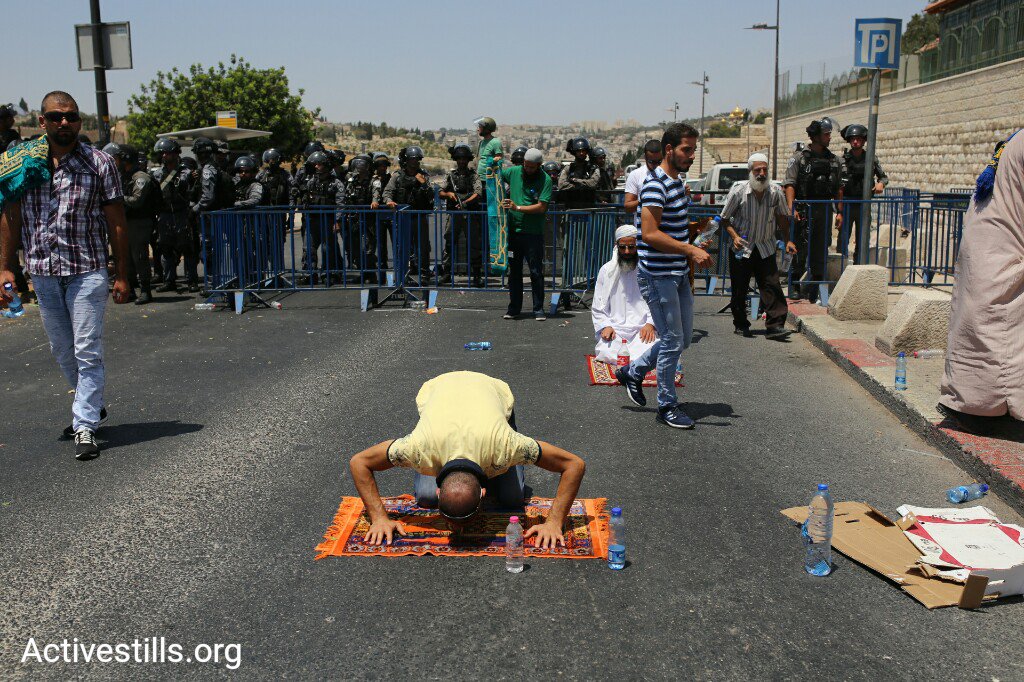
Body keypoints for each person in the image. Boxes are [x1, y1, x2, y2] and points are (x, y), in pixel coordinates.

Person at [0, 91, 131, 459]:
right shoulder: (23, 162)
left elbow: (117, 221)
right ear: (42, 121)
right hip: (42, 271)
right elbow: (10, 214)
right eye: (56, 117)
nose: (64, 123)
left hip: (86, 270)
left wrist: (123, 273)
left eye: (71, 117)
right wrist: (5, 266)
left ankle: (84, 424)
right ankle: (92, 406)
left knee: (86, 349)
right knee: (62, 350)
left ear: (79, 121)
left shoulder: (99, 163)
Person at [347, 371, 586, 547]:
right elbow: (359, 462)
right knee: (425, 498)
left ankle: (498, 471)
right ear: (483, 492)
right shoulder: (417, 448)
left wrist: (554, 522)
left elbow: (574, 464)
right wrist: (378, 518)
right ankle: (480, 478)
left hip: (491, 389)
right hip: (439, 390)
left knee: (512, 498)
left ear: (483, 493)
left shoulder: (508, 446)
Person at [615, 123, 713, 429]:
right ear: (669, 149)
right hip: (659, 276)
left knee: (682, 339)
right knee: (672, 340)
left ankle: (634, 371)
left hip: (677, 271)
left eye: (694, 149)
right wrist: (689, 250)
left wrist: (694, 243)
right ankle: (667, 405)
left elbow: (672, 228)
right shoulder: (655, 185)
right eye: (686, 149)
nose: (691, 155)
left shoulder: (677, 183)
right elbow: (649, 233)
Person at [939, 129, 1024, 424]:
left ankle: (970, 401)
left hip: (988, 247)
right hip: (1002, 253)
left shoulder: (1016, 140)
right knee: (1000, 331)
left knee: (983, 326)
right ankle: (993, 409)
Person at [719, 153, 795, 339]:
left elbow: (782, 218)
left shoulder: (775, 192)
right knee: (740, 289)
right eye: (757, 170)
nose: (761, 173)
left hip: (765, 246)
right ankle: (741, 323)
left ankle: (775, 326)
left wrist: (788, 240)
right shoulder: (739, 192)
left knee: (772, 286)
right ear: (750, 172)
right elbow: (724, 219)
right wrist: (734, 237)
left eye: (764, 170)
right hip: (742, 248)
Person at [784, 118, 844, 303]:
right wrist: (791, 207)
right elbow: (790, 184)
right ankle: (794, 285)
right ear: (816, 136)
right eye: (826, 134)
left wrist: (839, 212)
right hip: (803, 209)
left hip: (823, 210)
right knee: (799, 248)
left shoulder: (834, 160)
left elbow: (838, 188)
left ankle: (816, 288)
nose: (829, 137)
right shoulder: (799, 158)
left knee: (821, 249)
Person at [591, 225, 656, 363]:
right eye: (623, 247)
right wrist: (605, 325)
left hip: (642, 329)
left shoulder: (648, 270)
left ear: (638, 246)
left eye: (631, 247)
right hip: (615, 330)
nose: (627, 251)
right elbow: (598, 304)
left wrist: (650, 324)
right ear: (617, 246)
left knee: (650, 349)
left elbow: (656, 300)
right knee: (606, 351)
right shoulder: (606, 271)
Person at [500, 148, 552, 321]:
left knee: (536, 272)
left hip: (533, 234)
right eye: (526, 166)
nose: (528, 169)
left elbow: (542, 207)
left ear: (539, 165)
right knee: (514, 272)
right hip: (514, 233)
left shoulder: (545, 180)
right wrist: (494, 163)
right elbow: (496, 176)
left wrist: (517, 208)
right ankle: (514, 308)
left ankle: (538, 309)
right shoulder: (514, 172)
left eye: (531, 167)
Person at [106, 143, 159, 304]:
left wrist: (117, 198)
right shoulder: (123, 176)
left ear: (125, 159)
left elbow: (136, 201)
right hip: (126, 221)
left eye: (116, 159)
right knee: (125, 256)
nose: (114, 162)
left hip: (139, 222)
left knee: (140, 256)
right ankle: (130, 289)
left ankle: (145, 290)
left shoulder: (140, 177)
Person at [150, 138, 196, 293]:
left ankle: (192, 280)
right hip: (164, 215)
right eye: (162, 153)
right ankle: (169, 280)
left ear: (176, 154)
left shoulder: (186, 173)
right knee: (166, 249)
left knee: (187, 248)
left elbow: (192, 193)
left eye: (167, 153)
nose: (164, 155)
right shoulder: (157, 173)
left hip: (181, 213)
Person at [383, 146, 434, 284]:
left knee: (423, 247)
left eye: (417, 159)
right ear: (406, 160)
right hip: (402, 217)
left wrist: (424, 184)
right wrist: (389, 201)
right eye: (412, 159)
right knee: (401, 247)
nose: (415, 162)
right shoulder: (397, 176)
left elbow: (431, 195)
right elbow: (387, 192)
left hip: (419, 216)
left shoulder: (424, 175)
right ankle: (401, 276)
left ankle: (424, 275)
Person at [839, 123, 888, 264]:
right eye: (853, 139)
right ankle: (841, 266)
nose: (855, 141)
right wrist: (839, 210)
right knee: (843, 238)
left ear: (864, 140)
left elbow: (883, 177)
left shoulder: (871, 158)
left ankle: (859, 265)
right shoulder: (843, 160)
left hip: (864, 204)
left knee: (863, 238)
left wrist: (881, 184)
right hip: (847, 203)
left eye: (858, 139)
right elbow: (838, 184)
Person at [190, 136, 234, 289]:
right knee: (212, 250)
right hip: (214, 216)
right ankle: (216, 282)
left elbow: (208, 197)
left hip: (210, 217)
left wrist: (194, 210)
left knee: (208, 251)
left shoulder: (208, 170)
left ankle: (213, 284)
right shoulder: (210, 168)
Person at [439, 143, 483, 286]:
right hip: (454, 214)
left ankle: (477, 275)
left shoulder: (473, 175)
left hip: (470, 214)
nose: (462, 161)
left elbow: (478, 193)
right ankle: (447, 273)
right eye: (459, 159)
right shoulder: (450, 175)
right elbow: (440, 192)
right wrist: (449, 194)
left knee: (474, 244)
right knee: (449, 243)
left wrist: (465, 202)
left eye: (464, 159)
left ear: (468, 160)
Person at [299, 150, 344, 284]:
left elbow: (340, 204)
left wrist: (337, 220)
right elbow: (305, 199)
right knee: (309, 248)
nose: (316, 167)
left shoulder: (336, 183)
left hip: (328, 220)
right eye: (315, 164)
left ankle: (329, 273)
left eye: (319, 164)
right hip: (312, 220)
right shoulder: (311, 182)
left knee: (328, 248)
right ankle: (310, 273)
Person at [256, 148, 291, 277]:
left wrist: (291, 214)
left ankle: (278, 273)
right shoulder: (261, 175)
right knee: (262, 244)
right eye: (270, 160)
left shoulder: (285, 175)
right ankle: (263, 274)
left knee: (278, 244)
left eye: (274, 159)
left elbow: (291, 193)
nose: (272, 162)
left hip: (278, 214)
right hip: (263, 214)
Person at [341, 156, 375, 280]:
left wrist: (375, 202)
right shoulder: (351, 180)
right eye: (358, 164)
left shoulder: (373, 180)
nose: (360, 167)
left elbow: (376, 194)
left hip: (368, 218)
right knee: (355, 247)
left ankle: (371, 274)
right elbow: (346, 196)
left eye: (363, 165)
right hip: (354, 217)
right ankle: (362, 273)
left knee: (368, 247)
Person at [624, 140, 663, 227]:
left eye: (659, 161)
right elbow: (628, 207)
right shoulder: (635, 175)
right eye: (652, 162)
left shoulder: (671, 174)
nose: (656, 165)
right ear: (645, 157)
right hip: (643, 228)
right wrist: (646, 199)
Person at [557, 137, 600, 209]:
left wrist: (576, 181)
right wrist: (579, 185)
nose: (581, 153)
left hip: (589, 208)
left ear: (587, 152)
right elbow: (561, 185)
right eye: (579, 151)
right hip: (571, 208)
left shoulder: (593, 168)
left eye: (583, 151)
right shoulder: (568, 168)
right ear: (574, 152)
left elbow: (593, 183)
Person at [369, 152, 393, 276]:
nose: (382, 168)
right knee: (381, 245)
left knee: (396, 243)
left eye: (384, 165)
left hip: (391, 215)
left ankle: (398, 268)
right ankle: (382, 270)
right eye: (380, 165)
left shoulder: (391, 178)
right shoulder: (373, 179)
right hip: (378, 216)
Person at [474, 116, 504, 198]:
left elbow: (499, 158)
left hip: (490, 180)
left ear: (487, 129)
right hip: (479, 179)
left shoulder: (495, 142)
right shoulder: (481, 142)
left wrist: (493, 160)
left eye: (480, 127)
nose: (478, 129)